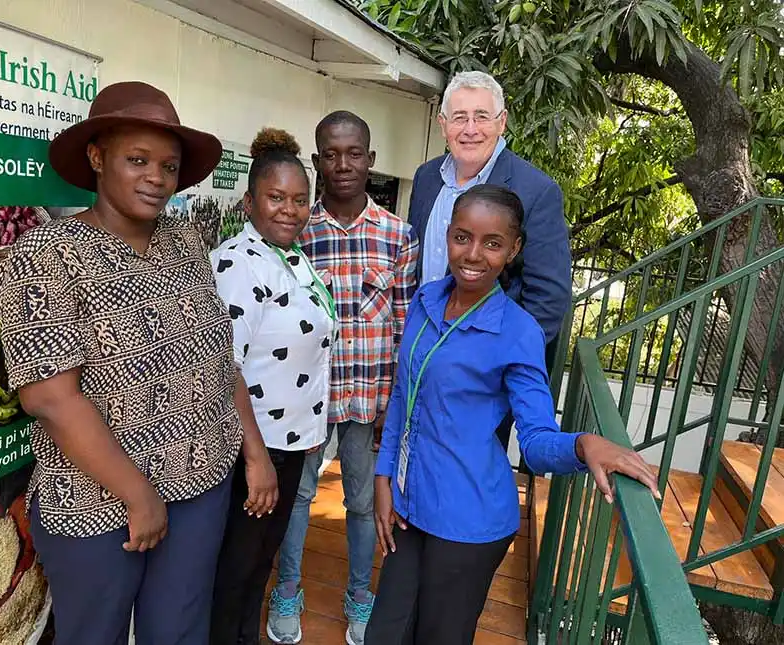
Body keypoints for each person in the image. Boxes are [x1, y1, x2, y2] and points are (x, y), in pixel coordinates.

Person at [0, 81, 278, 645]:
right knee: (92, 634)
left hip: (201, 483)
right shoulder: (47, 255)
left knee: (178, 631)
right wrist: (137, 493)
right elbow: (50, 397)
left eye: (168, 167)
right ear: (97, 159)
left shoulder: (185, 242)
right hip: (97, 502)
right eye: (138, 160)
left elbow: (219, 355)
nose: (157, 178)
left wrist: (255, 452)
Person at [364, 185, 658, 645]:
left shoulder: (517, 331)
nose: (473, 254)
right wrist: (384, 477)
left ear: (514, 249)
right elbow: (403, 394)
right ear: (448, 235)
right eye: (463, 237)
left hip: (469, 522)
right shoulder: (425, 301)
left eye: (492, 243)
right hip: (408, 503)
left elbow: (537, 441)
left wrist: (583, 444)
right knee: (385, 633)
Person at [268, 111, 419, 645]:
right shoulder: (295, 231)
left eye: (354, 153)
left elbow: (403, 325)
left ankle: (360, 594)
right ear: (316, 161)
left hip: (368, 398)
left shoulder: (400, 237)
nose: (343, 164)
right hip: (305, 399)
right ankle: (288, 589)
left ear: (371, 161)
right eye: (331, 154)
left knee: (361, 501)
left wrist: (393, 407)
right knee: (297, 498)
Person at [209, 128, 336, 645]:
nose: (290, 210)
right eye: (276, 198)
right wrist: (257, 459)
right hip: (256, 449)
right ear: (249, 202)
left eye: (300, 199)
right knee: (234, 572)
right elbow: (224, 367)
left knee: (259, 565)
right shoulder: (238, 264)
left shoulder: (292, 256)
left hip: (293, 442)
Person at [407, 71, 573, 452]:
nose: (470, 129)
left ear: (502, 122)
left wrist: (498, 366)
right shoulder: (427, 177)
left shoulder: (536, 191)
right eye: (459, 117)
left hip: (482, 378)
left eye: (482, 116)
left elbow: (547, 300)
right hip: (421, 359)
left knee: (469, 480)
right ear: (443, 124)